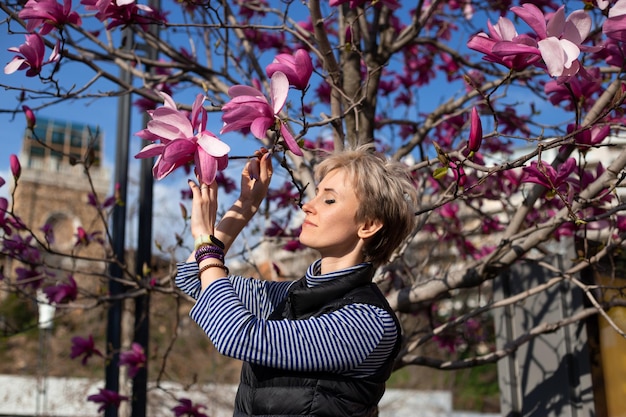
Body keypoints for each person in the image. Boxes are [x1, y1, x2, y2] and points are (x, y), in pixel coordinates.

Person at [175, 145, 418, 417]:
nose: (307, 206)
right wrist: (245, 207)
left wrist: (205, 241)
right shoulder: (289, 294)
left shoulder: (368, 321)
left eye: (329, 200)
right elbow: (195, 279)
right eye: (316, 194)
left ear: (368, 225)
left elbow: (238, 336)